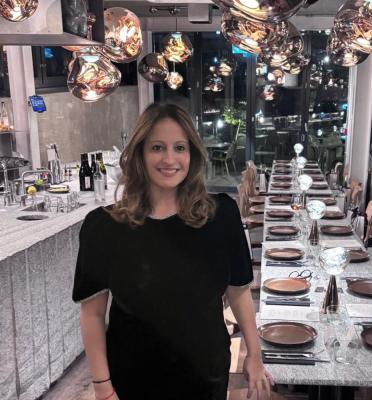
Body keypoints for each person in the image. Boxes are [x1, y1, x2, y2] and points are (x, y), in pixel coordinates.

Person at [72, 103, 274, 400]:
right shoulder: (104, 227)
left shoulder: (221, 215)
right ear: (140, 153)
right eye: (157, 147)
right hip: (133, 379)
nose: (169, 159)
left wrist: (254, 354)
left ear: (191, 154)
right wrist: (102, 387)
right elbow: (92, 314)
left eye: (180, 147)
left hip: (205, 376)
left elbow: (238, 291)